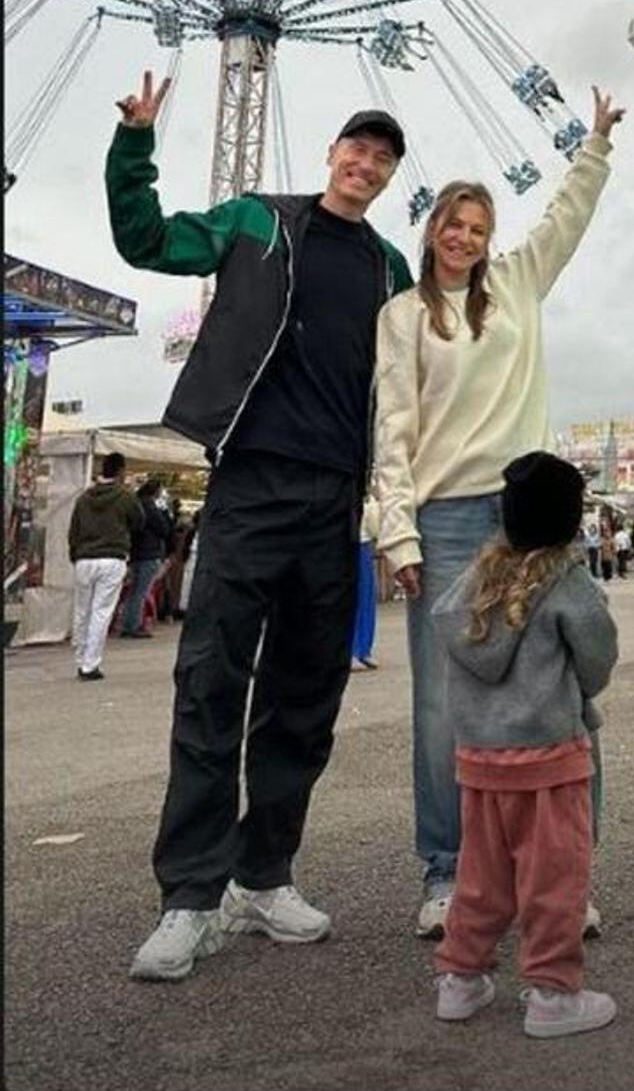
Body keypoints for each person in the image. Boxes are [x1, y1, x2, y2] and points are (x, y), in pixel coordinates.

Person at [104, 69, 413, 983]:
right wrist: (135, 147)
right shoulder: (256, 220)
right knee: (210, 685)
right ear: (332, 155)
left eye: (384, 157)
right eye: (357, 147)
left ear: (390, 178)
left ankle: (263, 873)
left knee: (307, 696)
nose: (367, 163)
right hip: (248, 485)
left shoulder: (390, 267)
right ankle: (189, 897)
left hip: (335, 501)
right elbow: (147, 241)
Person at [375, 85, 623, 939]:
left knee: (561, 695)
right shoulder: (402, 316)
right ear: (433, 229)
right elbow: (394, 425)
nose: (466, 238)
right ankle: (449, 872)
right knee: (444, 705)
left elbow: (566, 220)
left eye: (479, 228)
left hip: (526, 514)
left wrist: (593, 147)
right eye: (454, 223)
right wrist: (396, 529)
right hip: (443, 518)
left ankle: (566, 874)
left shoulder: (518, 284)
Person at [429, 450, 618, 1038]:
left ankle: (461, 978)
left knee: (481, 876)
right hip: (549, 757)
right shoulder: (568, 580)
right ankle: (552, 993)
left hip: (479, 758)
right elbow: (597, 656)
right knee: (554, 879)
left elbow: (446, 627)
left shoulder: (474, 578)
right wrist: (578, 696)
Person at [67, 451, 144, 681]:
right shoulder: (125, 496)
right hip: (112, 557)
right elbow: (139, 522)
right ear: (120, 471)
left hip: (84, 558)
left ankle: (80, 656)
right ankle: (90, 664)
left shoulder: (83, 498)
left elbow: (74, 531)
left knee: (82, 609)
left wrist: (76, 555)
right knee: (101, 611)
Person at [120, 477, 174, 639]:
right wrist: (164, 512)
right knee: (141, 591)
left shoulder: (136, 504)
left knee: (133, 591)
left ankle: (126, 623)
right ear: (156, 491)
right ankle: (134, 625)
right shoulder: (151, 507)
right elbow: (164, 529)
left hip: (136, 552)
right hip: (149, 552)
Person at [351, 490, 381, 671]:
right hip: (351, 543)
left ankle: (364, 650)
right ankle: (351, 652)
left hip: (365, 544)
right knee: (353, 601)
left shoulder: (369, 496)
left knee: (367, 600)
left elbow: (375, 527)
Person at [597, 506, 615, 583]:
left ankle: (608, 576)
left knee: (608, 563)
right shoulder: (602, 523)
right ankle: (606, 576)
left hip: (607, 548)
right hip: (604, 549)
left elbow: (609, 533)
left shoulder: (607, 522)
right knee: (604, 563)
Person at [582, 510, 601, 579]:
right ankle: (592, 573)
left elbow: (599, 542)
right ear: (590, 529)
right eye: (591, 528)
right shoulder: (588, 536)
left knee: (595, 561)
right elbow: (586, 542)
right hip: (590, 549)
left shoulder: (597, 535)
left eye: (593, 528)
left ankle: (595, 573)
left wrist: (598, 546)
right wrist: (586, 547)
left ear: (595, 529)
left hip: (595, 549)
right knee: (591, 561)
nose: (592, 529)